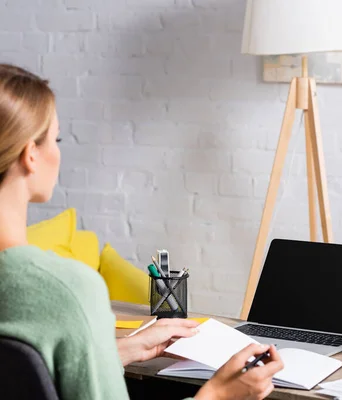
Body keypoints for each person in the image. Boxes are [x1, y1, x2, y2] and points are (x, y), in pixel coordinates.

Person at [0, 64, 283, 400]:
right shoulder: (67, 290)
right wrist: (219, 395)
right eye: (56, 138)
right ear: (30, 154)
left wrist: (120, 350)